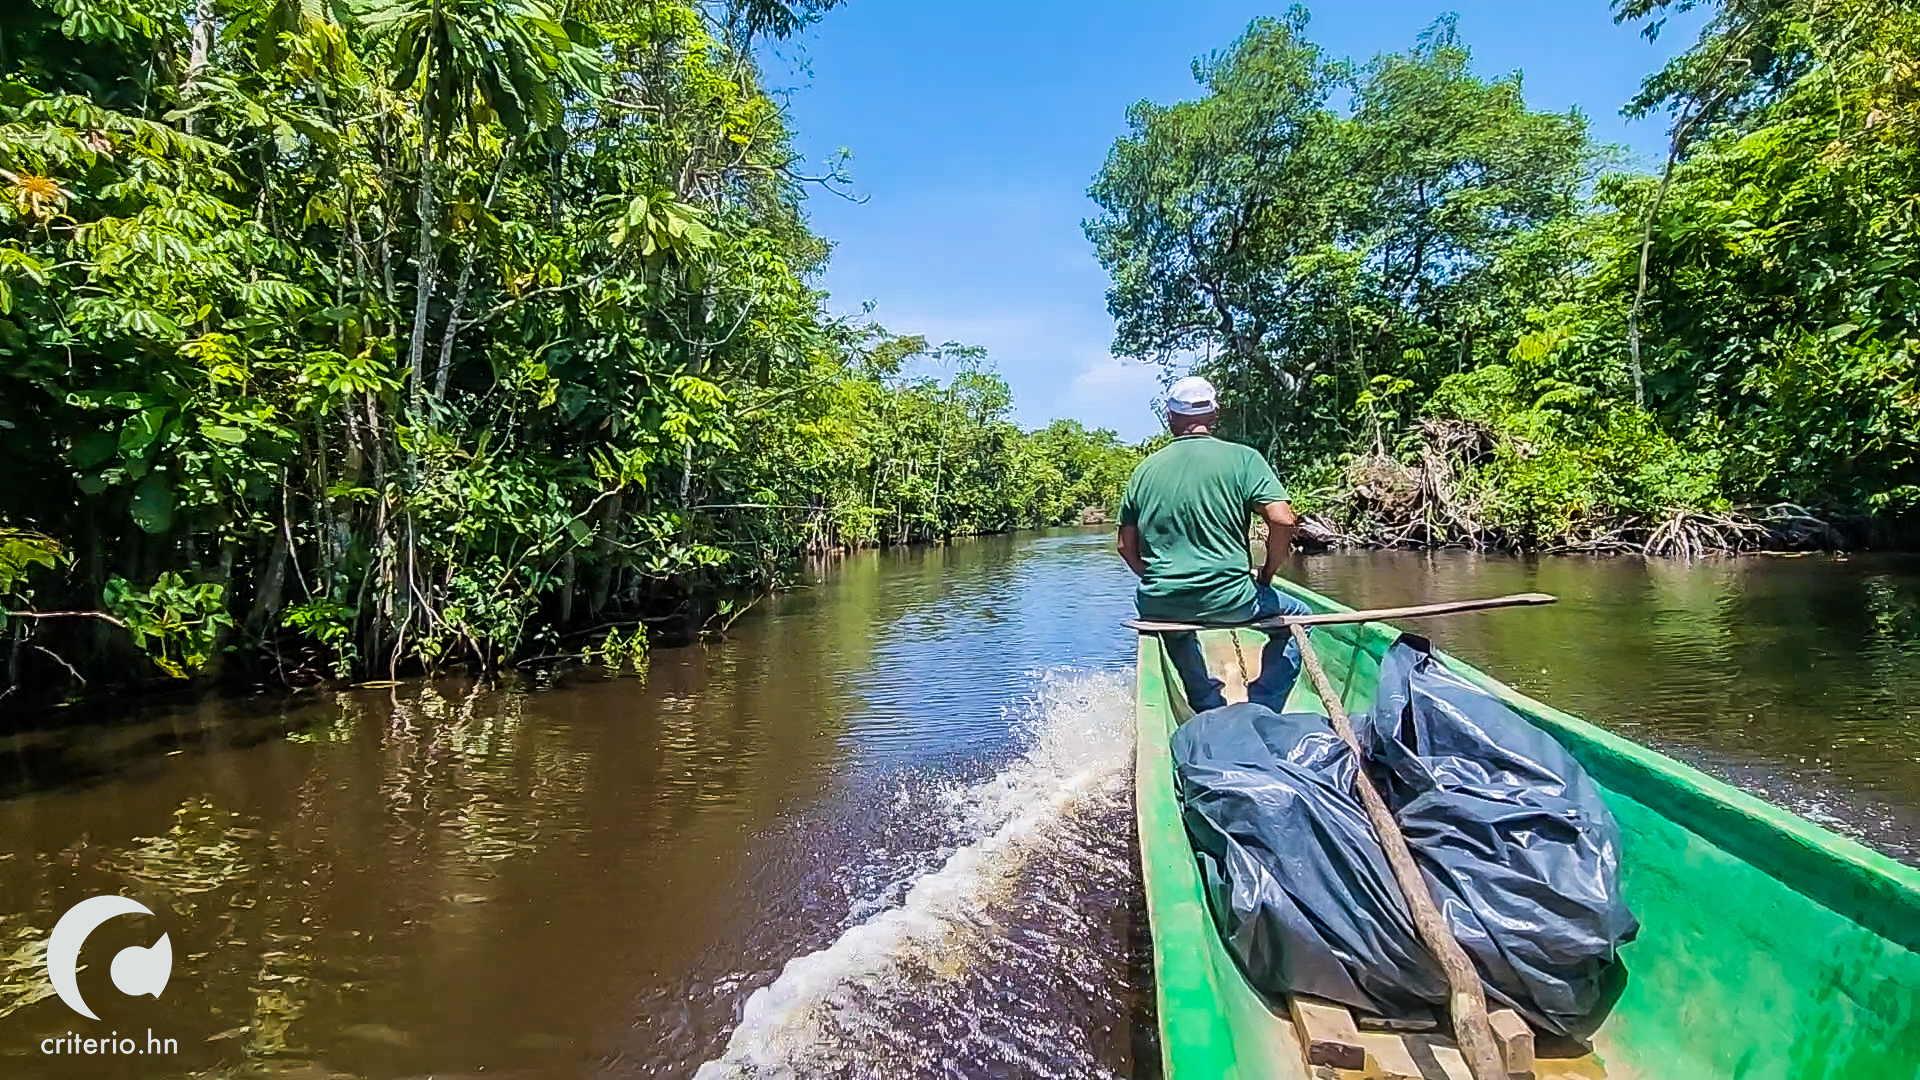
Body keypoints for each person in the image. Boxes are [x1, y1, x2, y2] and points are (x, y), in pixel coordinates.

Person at [1117, 376, 1309, 711]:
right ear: (1215, 413)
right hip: (1232, 598)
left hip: (1160, 601)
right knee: (1301, 618)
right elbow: (1282, 520)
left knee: (1173, 628)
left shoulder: (1144, 471)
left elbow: (1124, 546)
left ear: (1170, 416)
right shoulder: (1244, 459)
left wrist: (1160, 580)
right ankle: (1264, 702)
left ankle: (1205, 700)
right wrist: (1266, 574)